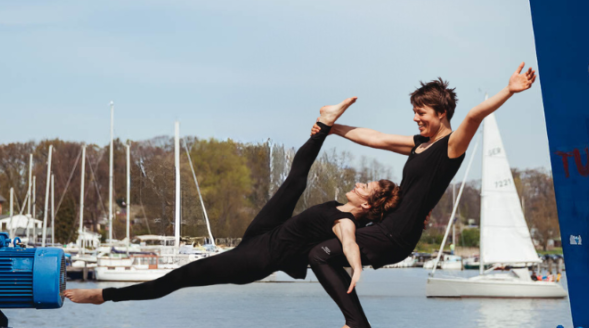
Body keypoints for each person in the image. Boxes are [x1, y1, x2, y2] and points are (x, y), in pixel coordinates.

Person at [64, 97, 402, 308]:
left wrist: (355, 267)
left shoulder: (345, 222)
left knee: (177, 278)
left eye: (366, 186)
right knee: (295, 180)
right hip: (265, 234)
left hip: (254, 259)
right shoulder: (336, 207)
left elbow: (349, 243)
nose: (359, 183)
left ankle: (103, 296)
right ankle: (325, 123)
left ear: (368, 205)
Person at [308, 63, 536, 328]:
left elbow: (475, 116)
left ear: (441, 114)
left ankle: (356, 326)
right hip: (388, 228)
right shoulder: (419, 144)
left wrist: (509, 90)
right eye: (414, 112)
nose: (416, 118)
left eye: (421, 113)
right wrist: (332, 128)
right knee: (317, 242)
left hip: (395, 235)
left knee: (320, 254)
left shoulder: (451, 146)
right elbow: (375, 138)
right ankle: (354, 323)